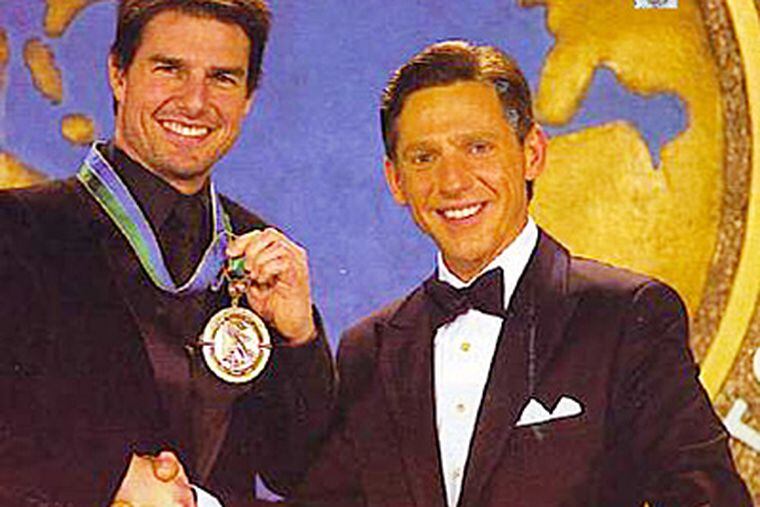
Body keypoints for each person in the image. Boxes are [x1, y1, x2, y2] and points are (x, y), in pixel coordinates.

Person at [290, 40, 751, 506]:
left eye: (478, 147)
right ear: (396, 180)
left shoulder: (627, 315)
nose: (453, 181)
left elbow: (709, 498)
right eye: (424, 157)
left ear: (532, 152)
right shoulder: (369, 349)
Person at [0, 1, 334, 506]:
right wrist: (110, 477)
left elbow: (296, 472)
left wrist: (300, 339)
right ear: (118, 74)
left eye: (222, 78)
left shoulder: (257, 250)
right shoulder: (19, 230)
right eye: (170, 69)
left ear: (248, 98)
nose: (195, 102)